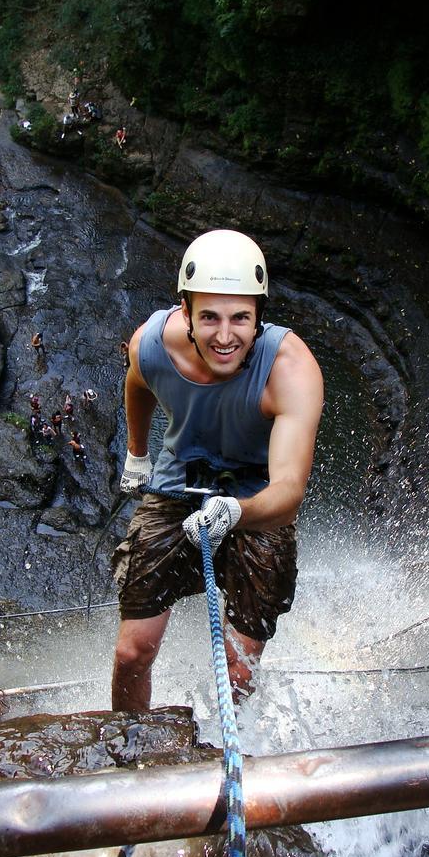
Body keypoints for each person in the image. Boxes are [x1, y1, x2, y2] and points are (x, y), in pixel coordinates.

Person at [110, 229, 324, 712]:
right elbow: (137, 382)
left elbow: (289, 489)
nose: (225, 336)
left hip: (258, 498)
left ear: (258, 317)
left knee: (238, 669)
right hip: (178, 482)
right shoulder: (151, 346)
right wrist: (137, 454)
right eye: (208, 317)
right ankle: (129, 749)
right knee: (131, 652)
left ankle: (230, 744)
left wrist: (234, 513)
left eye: (240, 319)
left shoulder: (289, 370)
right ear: (185, 312)